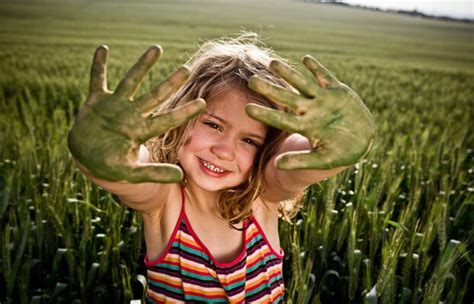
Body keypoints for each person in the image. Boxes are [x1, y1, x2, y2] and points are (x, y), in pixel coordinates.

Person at [68, 33, 375, 303]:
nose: (224, 150)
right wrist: (100, 158)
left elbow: (294, 164)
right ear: (182, 116)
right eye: (213, 124)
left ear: (267, 148)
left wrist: (336, 147)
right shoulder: (165, 199)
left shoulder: (263, 197)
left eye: (250, 141)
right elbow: (131, 176)